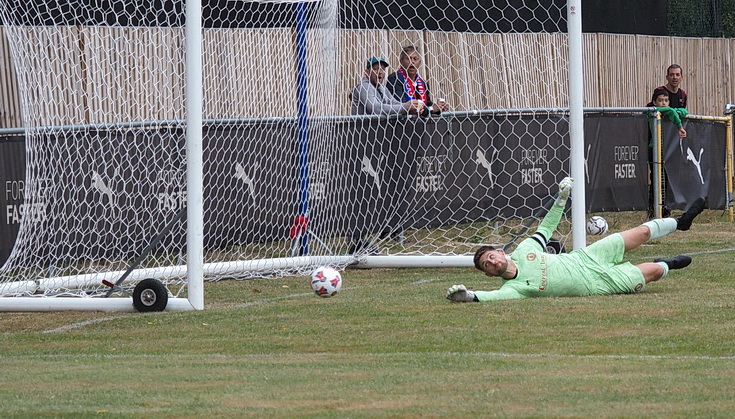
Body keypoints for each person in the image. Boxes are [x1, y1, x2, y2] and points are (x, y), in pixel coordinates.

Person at [446, 177, 705, 302]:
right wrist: (467, 296)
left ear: (502, 252)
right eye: (487, 266)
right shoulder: (514, 289)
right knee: (652, 272)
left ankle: (680, 223)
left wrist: (561, 198)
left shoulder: (525, 249)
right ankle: (667, 263)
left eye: (491, 256)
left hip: (587, 257)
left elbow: (547, 227)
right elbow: (489, 298)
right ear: (490, 274)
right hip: (596, 285)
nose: (491, 262)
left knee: (643, 233)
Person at [646, 90, 688, 218]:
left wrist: (678, 111)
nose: (663, 103)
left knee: (666, 177)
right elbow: (670, 111)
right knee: (656, 178)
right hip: (655, 148)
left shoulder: (668, 109)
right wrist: (680, 127)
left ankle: (665, 207)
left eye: (666, 100)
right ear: (654, 102)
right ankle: (653, 208)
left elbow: (684, 111)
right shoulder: (653, 111)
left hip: (667, 149)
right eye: (660, 100)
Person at [386, 46, 450, 117]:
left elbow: (426, 103)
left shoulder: (423, 83)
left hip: (420, 125)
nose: (412, 61)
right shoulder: (394, 79)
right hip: (401, 123)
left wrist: (438, 107)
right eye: (408, 58)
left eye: (415, 59)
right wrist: (431, 109)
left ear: (419, 63)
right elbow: (403, 105)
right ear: (401, 61)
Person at [350, 56, 423, 115]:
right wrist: (405, 107)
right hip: (362, 131)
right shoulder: (364, 87)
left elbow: (394, 103)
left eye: (382, 69)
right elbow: (376, 109)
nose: (380, 72)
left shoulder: (382, 88)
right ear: (367, 72)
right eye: (375, 69)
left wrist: (412, 107)